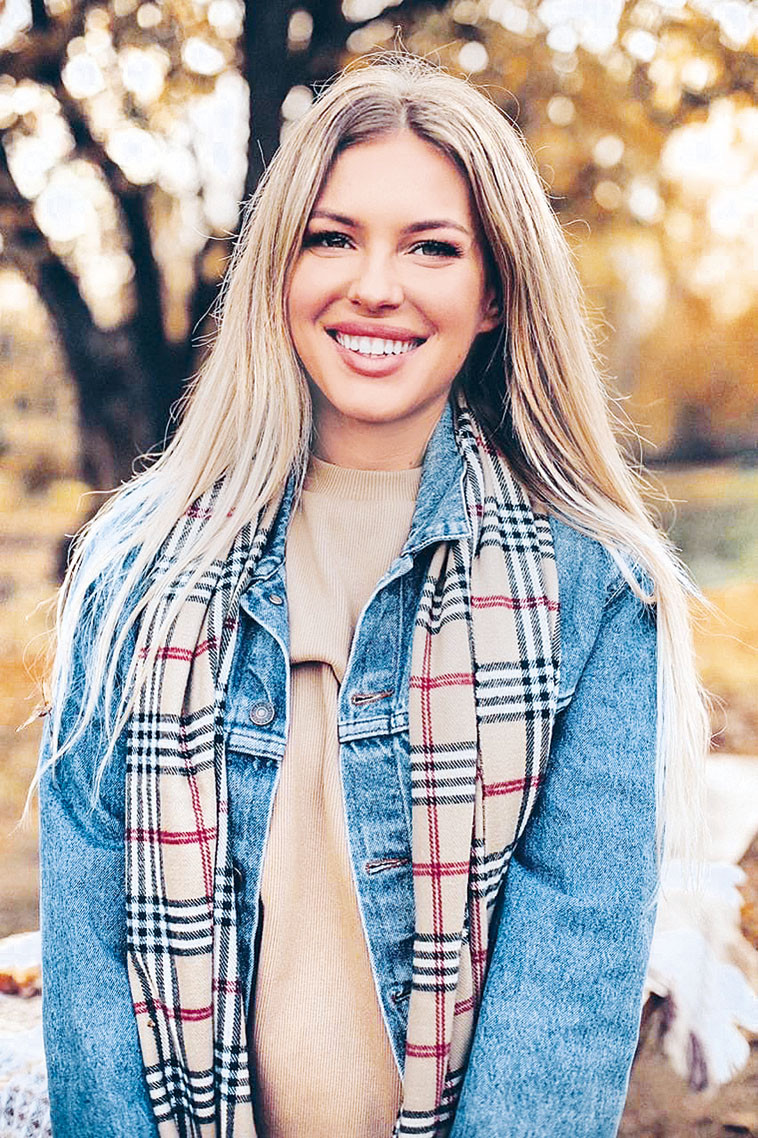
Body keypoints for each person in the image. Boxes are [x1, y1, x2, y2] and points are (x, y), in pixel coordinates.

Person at [37, 54, 709, 1138]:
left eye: (431, 247)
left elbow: (570, 978)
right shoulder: (134, 566)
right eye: (332, 237)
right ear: (279, 267)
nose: (375, 286)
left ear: (494, 293)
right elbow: (88, 964)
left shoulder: (591, 589)